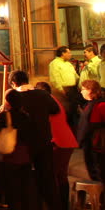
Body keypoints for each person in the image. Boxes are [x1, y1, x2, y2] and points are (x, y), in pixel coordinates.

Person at [9, 70, 61, 210]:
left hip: (24, 144)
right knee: (47, 177)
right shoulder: (42, 94)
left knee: (26, 179)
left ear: (13, 83)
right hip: (44, 140)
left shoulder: (14, 97)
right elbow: (55, 109)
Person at [35, 81, 78, 210]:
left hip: (59, 142)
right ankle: (63, 205)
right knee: (61, 175)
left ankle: (57, 205)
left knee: (53, 176)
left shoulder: (47, 102)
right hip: (66, 141)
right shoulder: (53, 100)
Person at [0, 89, 35, 210]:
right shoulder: (26, 116)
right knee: (25, 187)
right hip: (26, 156)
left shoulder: (4, 116)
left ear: (8, 102)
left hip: (11, 156)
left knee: (12, 188)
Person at [76, 79, 105, 181]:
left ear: (91, 90)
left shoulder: (101, 105)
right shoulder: (90, 104)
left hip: (97, 145)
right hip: (90, 143)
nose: (81, 92)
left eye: (83, 89)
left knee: (99, 171)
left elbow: (94, 125)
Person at [49, 47, 79, 117]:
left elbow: (75, 75)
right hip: (64, 90)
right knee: (67, 111)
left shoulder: (68, 63)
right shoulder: (54, 63)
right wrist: (61, 90)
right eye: (68, 53)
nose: (70, 54)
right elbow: (55, 79)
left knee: (74, 110)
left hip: (73, 89)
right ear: (63, 53)